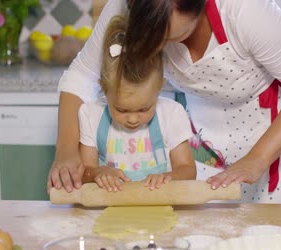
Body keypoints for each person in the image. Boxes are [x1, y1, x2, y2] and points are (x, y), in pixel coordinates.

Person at [47, 0, 281, 204]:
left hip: (280, 140)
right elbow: (81, 77)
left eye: (174, 37)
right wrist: (65, 150)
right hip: (207, 143)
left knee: (274, 244)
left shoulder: (244, 9)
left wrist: (256, 159)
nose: (158, 47)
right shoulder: (124, 6)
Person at [78, 16, 196, 192]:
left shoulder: (171, 114)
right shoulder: (91, 115)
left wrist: (169, 177)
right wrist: (98, 172)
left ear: (159, 88)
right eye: (122, 109)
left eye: (144, 109)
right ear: (103, 88)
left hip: (160, 210)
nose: (133, 119)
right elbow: (83, 172)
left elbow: (188, 169)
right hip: (109, 212)